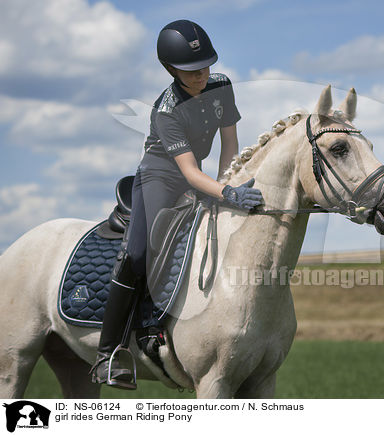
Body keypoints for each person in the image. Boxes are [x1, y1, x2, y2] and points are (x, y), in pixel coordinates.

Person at [90, 19, 263, 389]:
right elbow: (185, 170)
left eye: (206, 66)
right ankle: (108, 354)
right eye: (191, 70)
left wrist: (226, 183)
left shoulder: (222, 86)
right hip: (158, 177)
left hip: (199, 175)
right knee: (137, 254)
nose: (202, 75)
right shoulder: (165, 110)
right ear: (171, 69)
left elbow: (229, 144)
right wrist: (224, 193)